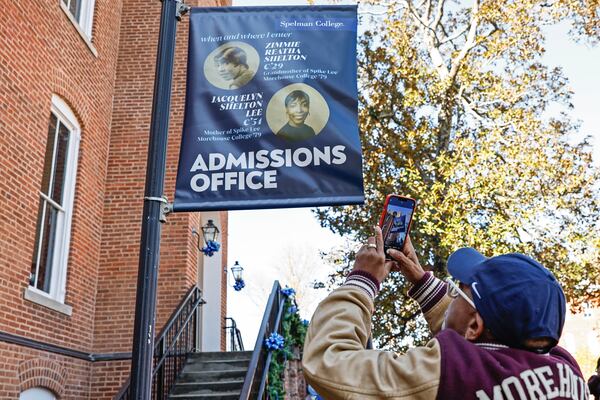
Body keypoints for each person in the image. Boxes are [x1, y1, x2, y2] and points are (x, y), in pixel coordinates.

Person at [302, 226, 590, 399]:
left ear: (475, 326)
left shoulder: (450, 373)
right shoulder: (567, 370)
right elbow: (481, 346)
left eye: (459, 292)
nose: (451, 295)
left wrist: (362, 280)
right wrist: (421, 281)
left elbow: (329, 363)